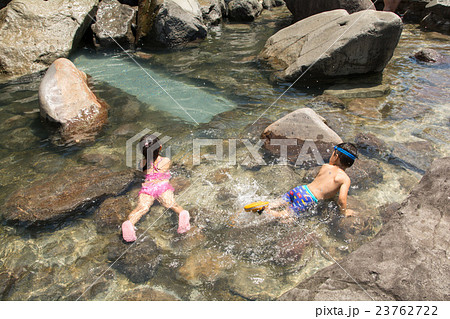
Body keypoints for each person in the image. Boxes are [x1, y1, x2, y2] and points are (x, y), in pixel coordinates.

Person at [246, 143, 358, 218]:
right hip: (308, 199)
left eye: (333, 153)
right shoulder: (345, 179)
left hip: (301, 189)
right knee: (287, 215)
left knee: (279, 201)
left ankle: (267, 205)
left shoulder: (325, 166)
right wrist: (344, 212)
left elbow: (320, 183)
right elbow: (342, 200)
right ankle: (266, 211)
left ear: (336, 156)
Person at [122, 134, 190, 242]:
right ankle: (182, 213)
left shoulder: (141, 163)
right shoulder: (166, 161)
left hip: (148, 188)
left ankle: (129, 223)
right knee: (171, 204)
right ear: (160, 147)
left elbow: (142, 174)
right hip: (162, 186)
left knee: (142, 208)